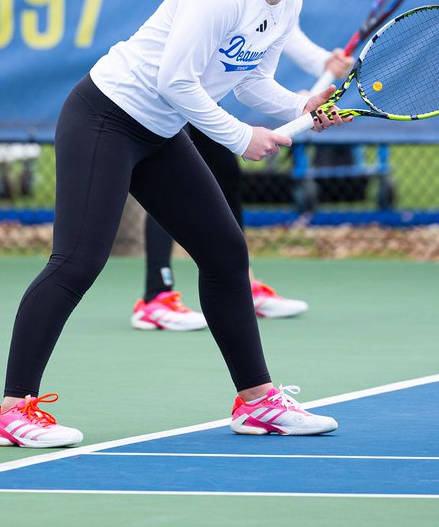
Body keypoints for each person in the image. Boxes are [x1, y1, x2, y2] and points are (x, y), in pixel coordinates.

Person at [0, 0, 361, 447]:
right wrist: (239, 138)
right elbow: (175, 81)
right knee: (77, 262)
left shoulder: (287, 2)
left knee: (225, 252)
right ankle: (11, 412)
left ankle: (257, 403)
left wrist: (300, 105)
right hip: (105, 118)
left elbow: (251, 80)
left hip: (159, 131)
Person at [131, 25, 354, 332]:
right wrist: (286, 108)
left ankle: (241, 286)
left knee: (225, 173)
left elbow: (280, 43)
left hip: (202, 93)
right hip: (168, 92)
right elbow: (238, 77)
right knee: (170, 182)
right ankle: (156, 297)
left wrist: (320, 68)